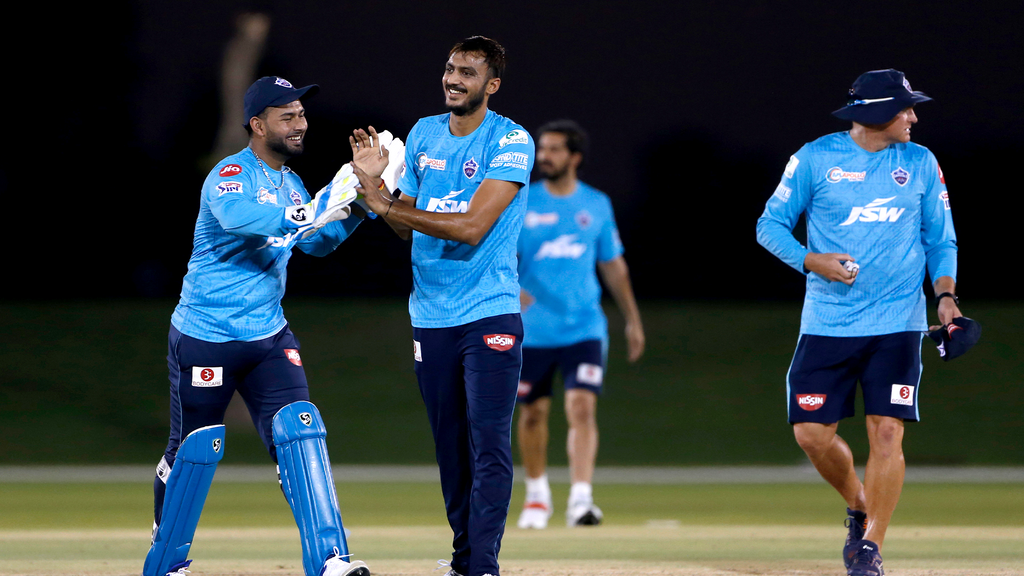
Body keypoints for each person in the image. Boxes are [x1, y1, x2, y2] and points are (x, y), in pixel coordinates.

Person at [144, 76, 386, 576]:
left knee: (302, 431)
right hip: (206, 335)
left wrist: (361, 203)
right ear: (258, 125)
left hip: (268, 337)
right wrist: (315, 207)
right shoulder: (229, 175)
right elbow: (241, 219)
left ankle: (330, 560)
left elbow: (316, 244)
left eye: (301, 114)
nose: (300, 124)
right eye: (287, 116)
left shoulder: (292, 182)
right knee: (194, 447)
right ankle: (168, 556)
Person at [756, 69, 960, 576]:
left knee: (887, 432)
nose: (914, 117)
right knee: (810, 433)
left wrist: (947, 297)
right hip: (827, 321)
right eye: (905, 108)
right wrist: (811, 260)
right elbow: (769, 225)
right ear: (874, 112)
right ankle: (859, 503)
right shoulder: (815, 158)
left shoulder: (920, 161)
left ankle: (869, 547)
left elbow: (942, 239)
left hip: (898, 322)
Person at [351, 36, 534, 576]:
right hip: (430, 317)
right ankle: (464, 559)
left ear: (491, 85)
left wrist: (389, 205)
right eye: (451, 69)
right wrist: (371, 184)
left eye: (468, 73)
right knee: (451, 449)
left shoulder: (511, 139)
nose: (454, 79)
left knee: (489, 443)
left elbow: (475, 228)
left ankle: (484, 566)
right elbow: (403, 226)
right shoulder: (424, 133)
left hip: (490, 312)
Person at [512, 120, 644, 529]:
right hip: (532, 330)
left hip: (584, 327)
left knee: (581, 407)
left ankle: (581, 501)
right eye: (541, 148)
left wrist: (632, 321)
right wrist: (508, 289)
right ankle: (536, 497)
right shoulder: (522, 201)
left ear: (575, 158)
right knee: (533, 413)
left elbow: (613, 265)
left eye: (553, 149)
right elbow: (495, 252)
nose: (544, 156)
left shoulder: (596, 204)